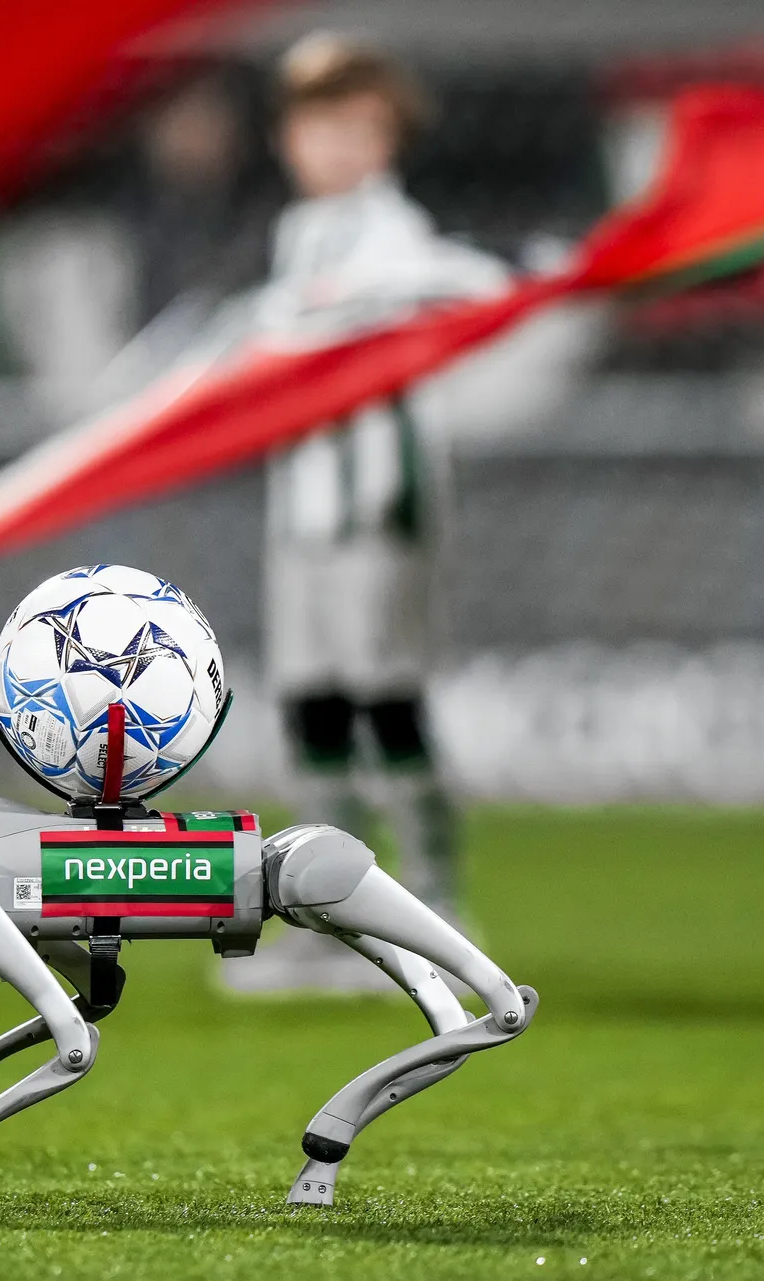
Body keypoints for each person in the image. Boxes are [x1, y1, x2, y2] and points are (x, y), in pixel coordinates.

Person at [223, 34, 509, 994]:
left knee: (383, 696)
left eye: (356, 127)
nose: (333, 145)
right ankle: (328, 920)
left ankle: (435, 909)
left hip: (379, 505)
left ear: (388, 139)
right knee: (310, 702)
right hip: (301, 508)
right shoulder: (299, 234)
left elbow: (470, 286)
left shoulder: (397, 234)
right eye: (316, 125)